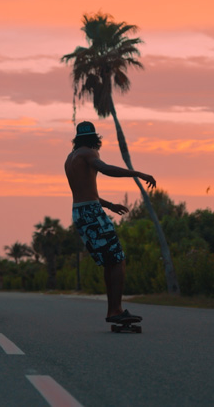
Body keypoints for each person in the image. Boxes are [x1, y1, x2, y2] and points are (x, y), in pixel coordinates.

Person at [64, 121, 156, 322]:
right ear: (94, 139)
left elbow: (83, 191)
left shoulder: (70, 159)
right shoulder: (89, 153)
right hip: (91, 213)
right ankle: (115, 310)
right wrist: (137, 174)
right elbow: (105, 169)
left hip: (80, 212)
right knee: (118, 258)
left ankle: (113, 310)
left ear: (77, 138)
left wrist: (109, 205)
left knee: (110, 261)